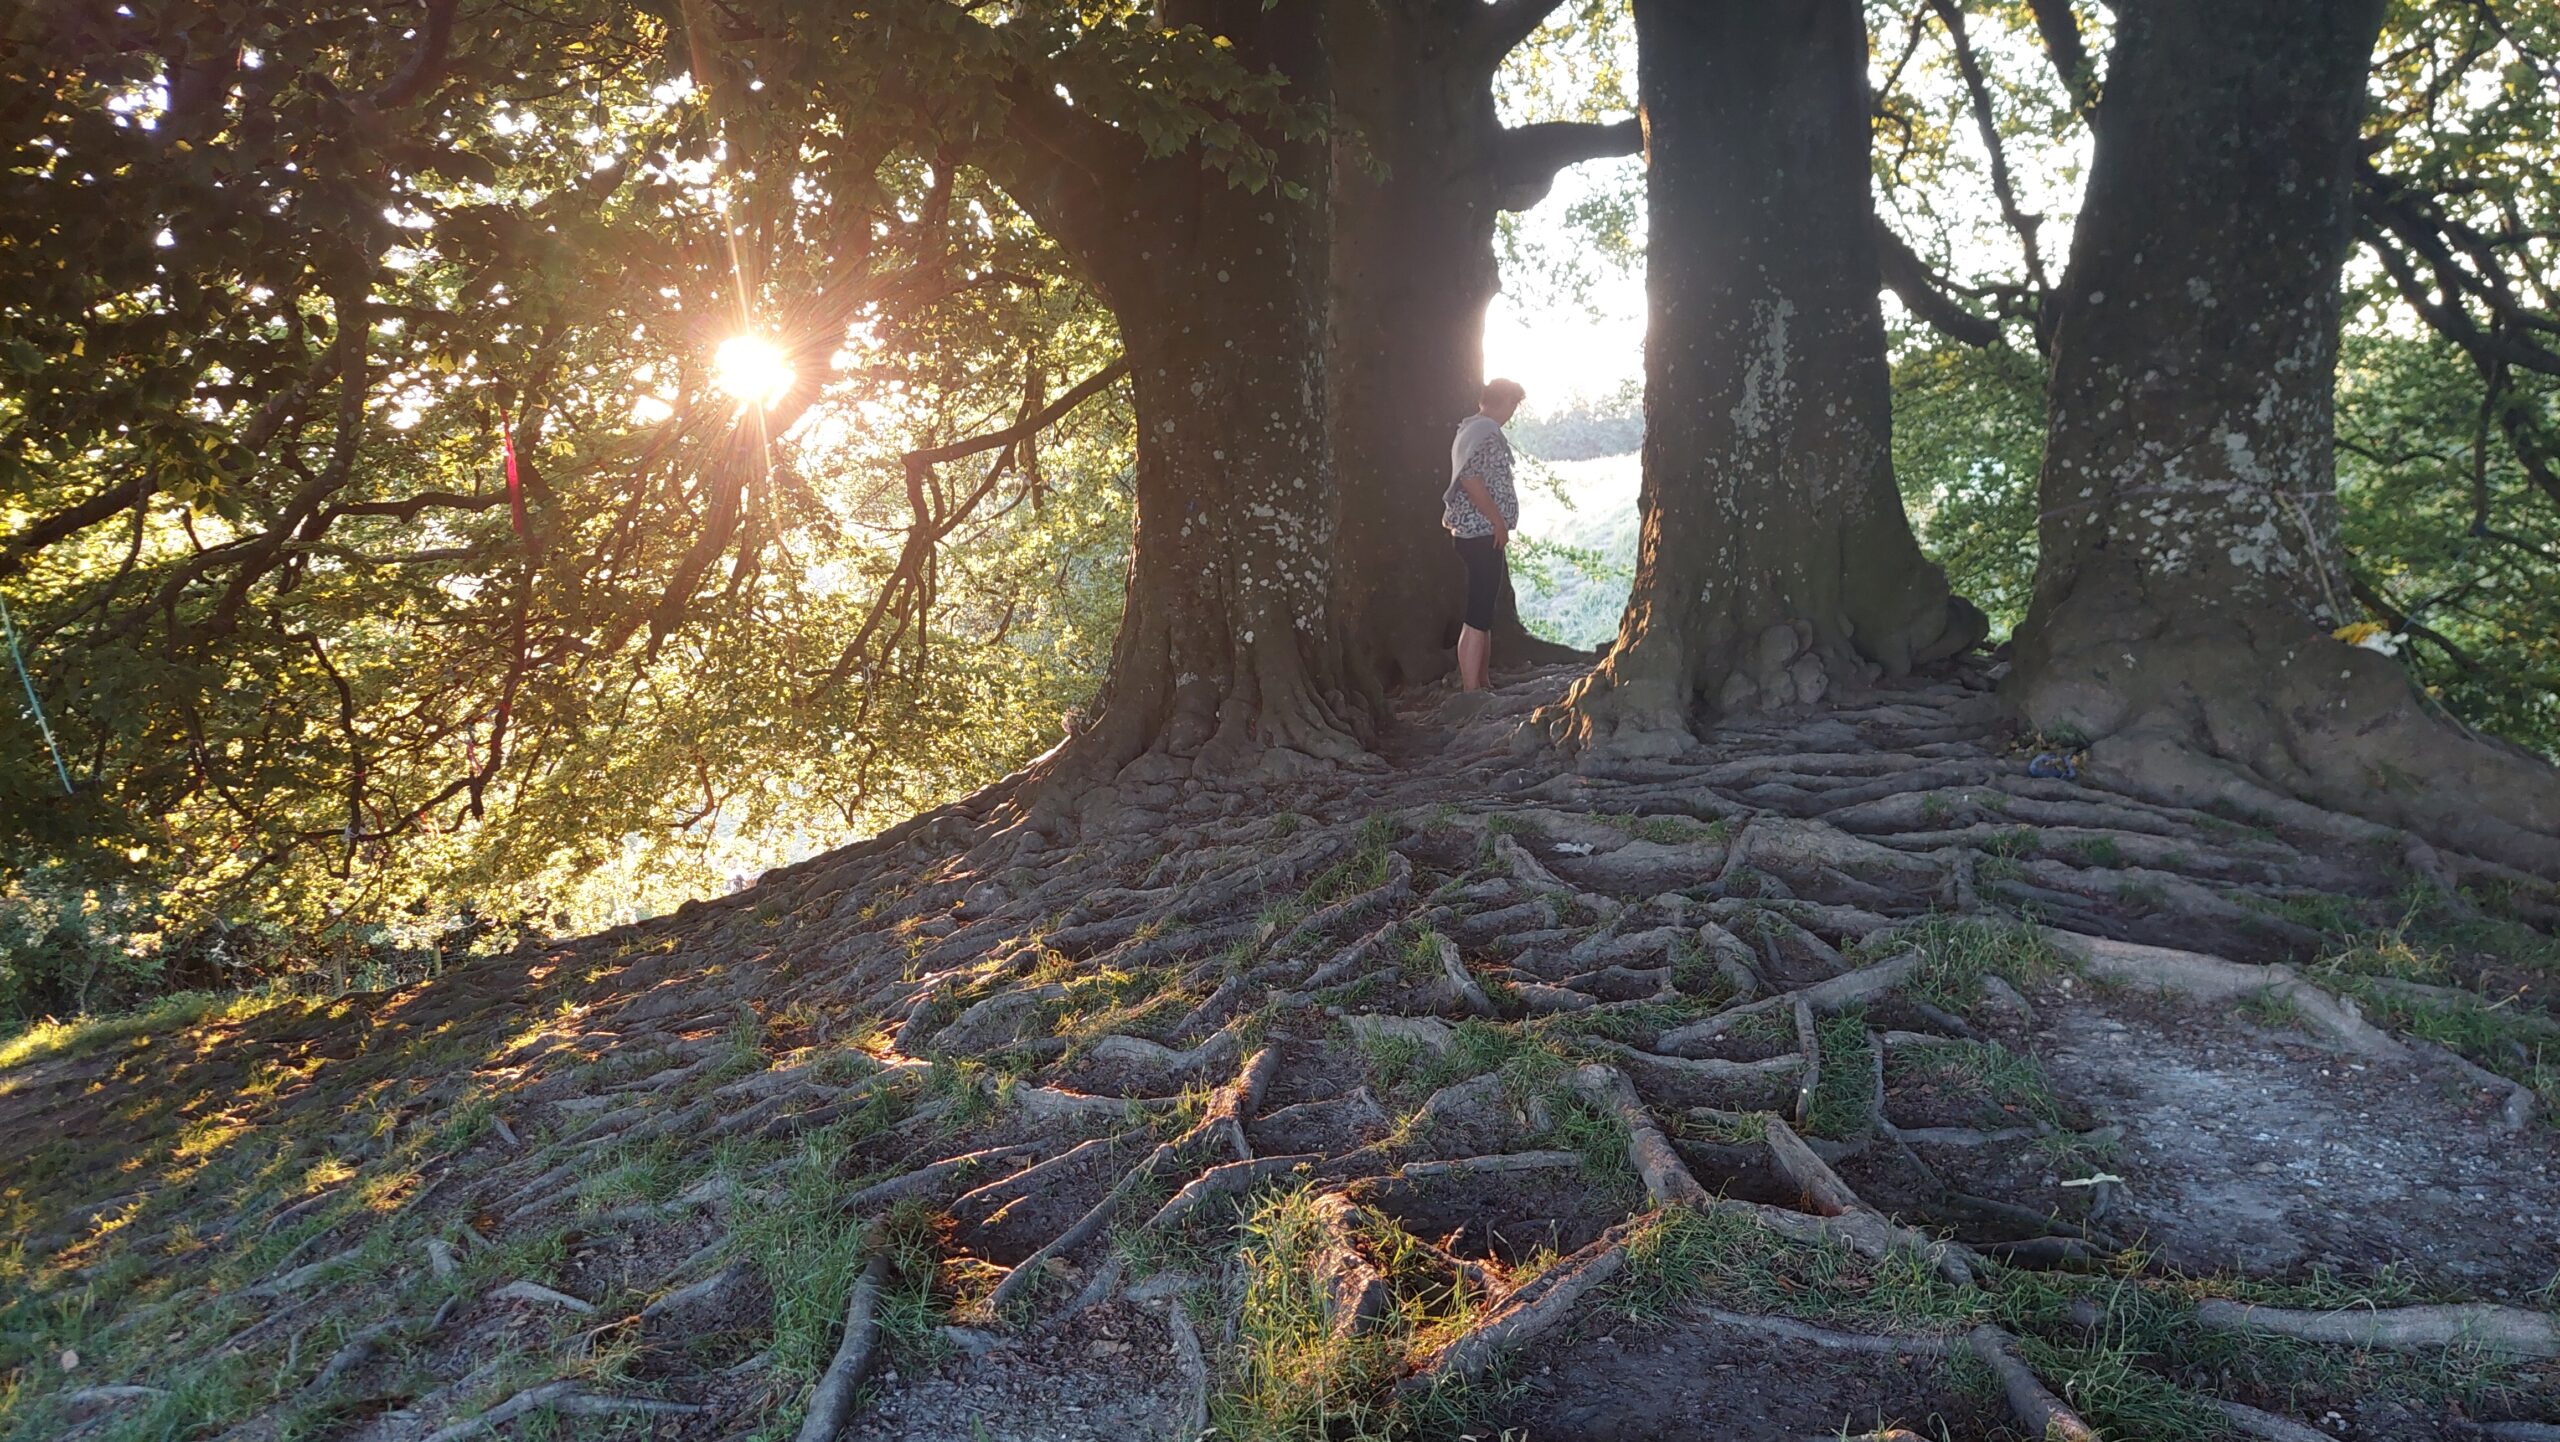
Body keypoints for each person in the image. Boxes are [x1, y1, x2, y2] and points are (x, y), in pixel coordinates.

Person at [1444, 377, 1526, 691]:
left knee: (1485, 609)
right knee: (1478, 613)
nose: (1512, 413)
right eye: (1513, 405)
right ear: (1503, 402)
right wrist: (1497, 522)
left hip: (1476, 532)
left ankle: (1482, 682)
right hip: (1480, 532)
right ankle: (1471, 689)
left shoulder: (1470, 429)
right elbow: (1470, 478)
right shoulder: (1486, 432)